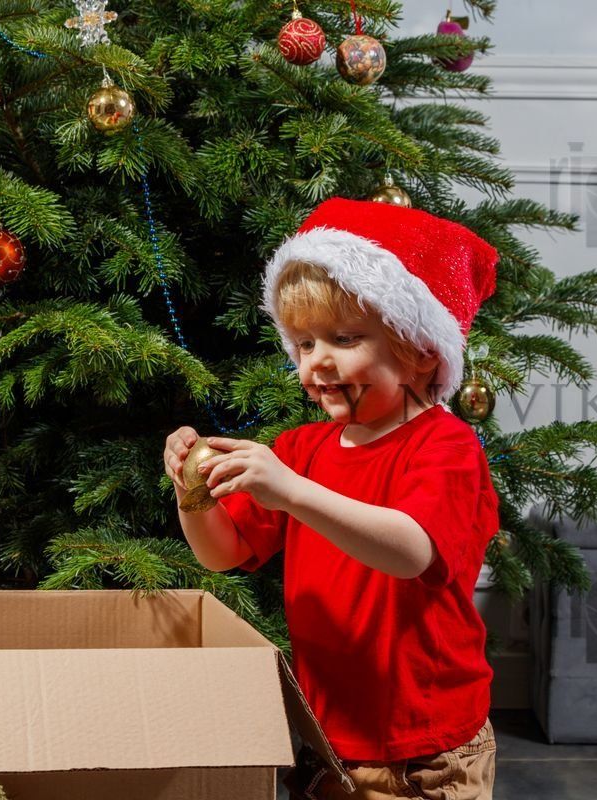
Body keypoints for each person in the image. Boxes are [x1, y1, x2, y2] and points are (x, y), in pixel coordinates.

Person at [163, 197, 501, 799]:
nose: (316, 361)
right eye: (302, 344)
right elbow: (223, 553)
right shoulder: (300, 448)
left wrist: (292, 492)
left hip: (425, 751)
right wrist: (194, 493)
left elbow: (412, 549)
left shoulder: (444, 446)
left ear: (421, 351)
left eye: (343, 338)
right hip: (329, 738)